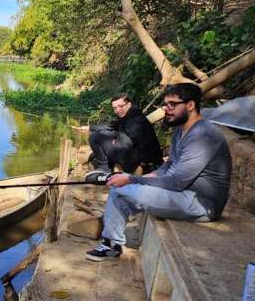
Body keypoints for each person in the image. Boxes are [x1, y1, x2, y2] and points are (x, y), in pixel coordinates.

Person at [86, 83, 232, 262]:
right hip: (183, 194)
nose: (166, 109)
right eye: (165, 104)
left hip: (201, 204)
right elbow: (169, 165)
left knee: (121, 188)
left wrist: (133, 179)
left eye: (172, 104)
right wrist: (146, 177)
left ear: (190, 105)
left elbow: (178, 181)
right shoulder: (181, 130)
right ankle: (111, 244)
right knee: (119, 187)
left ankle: (110, 244)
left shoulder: (204, 135)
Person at [85, 94, 162, 182]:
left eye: (120, 106)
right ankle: (104, 168)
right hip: (128, 150)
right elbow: (113, 125)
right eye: (115, 108)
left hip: (134, 160)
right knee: (100, 134)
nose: (118, 110)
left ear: (129, 104)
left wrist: (144, 164)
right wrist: (90, 128)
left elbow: (144, 142)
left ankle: (104, 168)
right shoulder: (128, 115)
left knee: (95, 137)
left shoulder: (135, 121)